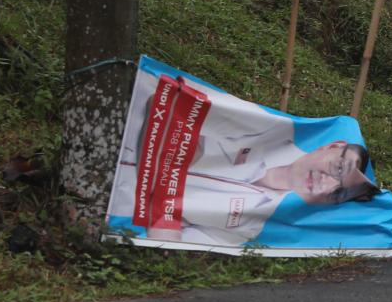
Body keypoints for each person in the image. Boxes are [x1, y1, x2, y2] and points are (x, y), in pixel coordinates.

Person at [138, 97, 378, 246]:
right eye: (339, 169)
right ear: (333, 146)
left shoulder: (255, 223)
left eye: (337, 193)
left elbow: (168, 243)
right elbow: (167, 103)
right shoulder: (265, 130)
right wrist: (163, 203)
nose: (326, 184)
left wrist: (178, 158)